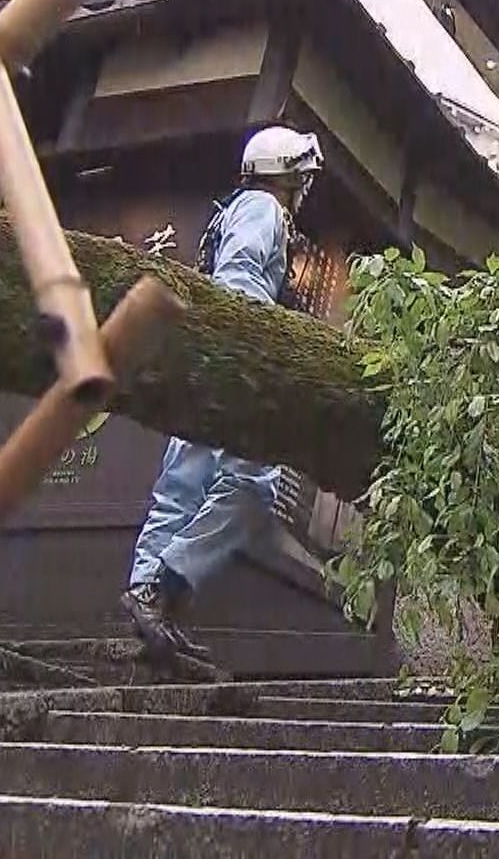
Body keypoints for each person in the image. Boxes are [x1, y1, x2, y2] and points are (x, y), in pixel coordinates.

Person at [121, 125, 323, 661]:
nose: (302, 190)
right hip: (231, 357)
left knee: (184, 482)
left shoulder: (234, 209)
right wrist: (256, 351)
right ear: (283, 173)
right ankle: (162, 585)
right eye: (300, 177)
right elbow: (241, 281)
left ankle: (150, 598)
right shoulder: (263, 209)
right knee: (253, 487)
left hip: (207, 353)